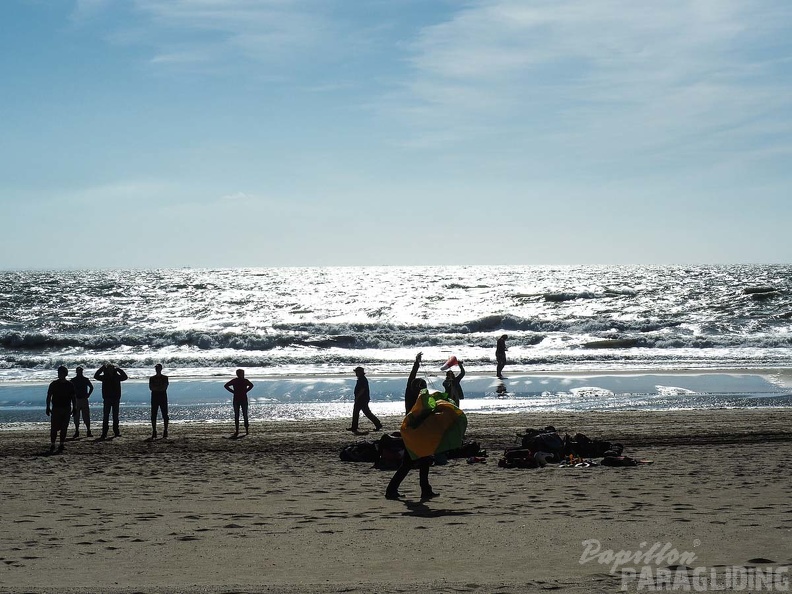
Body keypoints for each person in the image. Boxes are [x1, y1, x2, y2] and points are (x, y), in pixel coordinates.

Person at [385, 352, 438, 501]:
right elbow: (411, 379)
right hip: (412, 433)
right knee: (410, 463)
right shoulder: (412, 397)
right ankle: (391, 490)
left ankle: (425, 490)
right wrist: (416, 364)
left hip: (417, 433)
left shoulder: (422, 399)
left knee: (423, 461)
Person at [94, 363, 128, 439]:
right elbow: (95, 376)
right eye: (109, 368)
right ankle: (104, 433)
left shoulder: (117, 377)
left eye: (112, 368)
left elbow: (125, 377)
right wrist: (101, 369)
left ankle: (116, 432)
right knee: (106, 416)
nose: (110, 370)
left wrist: (118, 369)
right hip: (107, 398)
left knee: (115, 416)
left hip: (115, 398)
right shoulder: (105, 377)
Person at [46, 366, 76, 453]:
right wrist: (48, 407)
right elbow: (49, 396)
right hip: (56, 408)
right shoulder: (53, 384)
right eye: (59, 373)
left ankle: (61, 444)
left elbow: (73, 397)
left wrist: (75, 407)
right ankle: (53, 444)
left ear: (65, 374)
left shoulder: (70, 384)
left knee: (64, 427)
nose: (60, 374)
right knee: (54, 428)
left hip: (66, 408)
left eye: (62, 373)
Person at [347, 366, 382, 433]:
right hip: (362, 399)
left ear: (360, 372)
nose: (356, 373)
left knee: (363, 413)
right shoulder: (361, 379)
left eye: (357, 372)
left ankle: (378, 424)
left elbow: (362, 389)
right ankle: (354, 427)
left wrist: (357, 397)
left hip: (362, 399)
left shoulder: (362, 379)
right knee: (360, 412)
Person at [224, 369, 253, 437]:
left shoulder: (236, 380)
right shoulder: (243, 380)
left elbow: (226, 386)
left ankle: (240, 431)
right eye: (242, 373)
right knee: (243, 414)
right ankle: (244, 431)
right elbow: (251, 385)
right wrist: (246, 391)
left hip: (237, 398)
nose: (242, 374)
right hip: (241, 398)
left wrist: (233, 391)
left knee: (239, 415)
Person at [70, 366, 94, 438]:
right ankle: (79, 430)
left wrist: (88, 394)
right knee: (77, 416)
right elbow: (91, 387)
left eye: (80, 371)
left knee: (85, 416)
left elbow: (91, 387)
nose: (80, 372)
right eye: (79, 371)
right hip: (78, 399)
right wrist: (88, 394)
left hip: (82, 399)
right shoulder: (80, 380)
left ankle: (87, 430)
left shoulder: (75, 380)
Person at [149, 364, 170, 439]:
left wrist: (157, 388)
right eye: (156, 368)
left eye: (158, 368)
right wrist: (159, 388)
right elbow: (151, 388)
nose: (157, 369)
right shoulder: (152, 378)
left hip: (162, 397)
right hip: (155, 397)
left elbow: (164, 387)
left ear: (161, 369)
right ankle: (154, 431)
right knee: (153, 415)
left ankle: (165, 430)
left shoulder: (165, 378)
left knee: (165, 414)